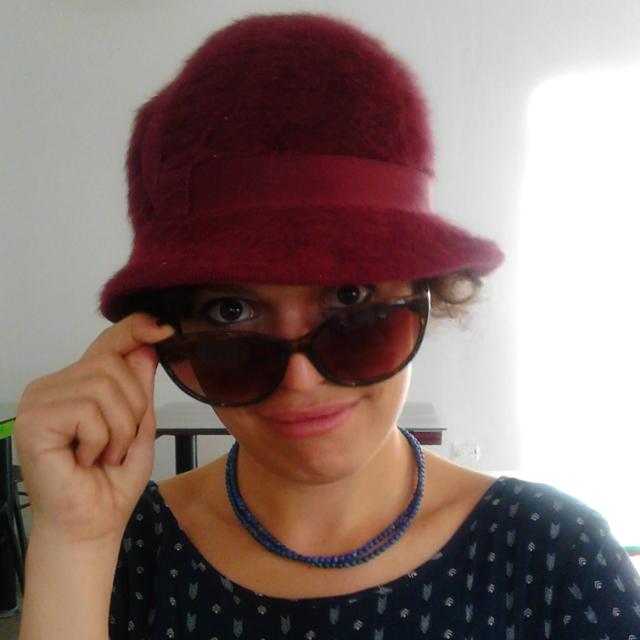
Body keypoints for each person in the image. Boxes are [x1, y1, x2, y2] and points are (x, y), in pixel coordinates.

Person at [13, 11, 640, 640]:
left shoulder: (556, 561)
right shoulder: (119, 552)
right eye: (231, 311)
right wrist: (73, 542)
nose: (301, 380)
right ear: (164, 335)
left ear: (425, 294)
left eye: (350, 296)